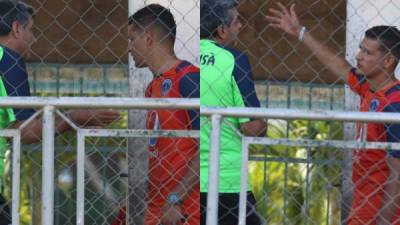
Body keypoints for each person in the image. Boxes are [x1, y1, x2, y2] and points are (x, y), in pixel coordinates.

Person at [266, 3, 400, 225]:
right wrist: (300, 33)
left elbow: (397, 174)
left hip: (383, 212)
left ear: (387, 61)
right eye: (360, 49)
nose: (358, 56)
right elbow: (337, 65)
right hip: (364, 203)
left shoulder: (395, 103)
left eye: (367, 52)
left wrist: (384, 221)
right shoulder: (369, 88)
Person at [0, 1, 121, 223]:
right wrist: (72, 118)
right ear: (16, 28)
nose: (33, 39)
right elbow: (27, 131)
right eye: (31, 30)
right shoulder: (7, 59)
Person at [126, 4, 199, 225]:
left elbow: (209, 146)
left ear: (148, 38)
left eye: (132, 39)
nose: (129, 48)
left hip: (184, 211)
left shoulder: (188, 78)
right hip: (158, 208)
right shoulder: (153, 87)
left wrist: (176, 198)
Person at [200, 0, 267, 224]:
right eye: (237, 21)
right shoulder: (234, 60)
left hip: (180, 179)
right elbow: (251, 127)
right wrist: (263, 122)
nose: (241, 25)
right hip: (225, 181)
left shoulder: (180, 57)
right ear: (221, 30)